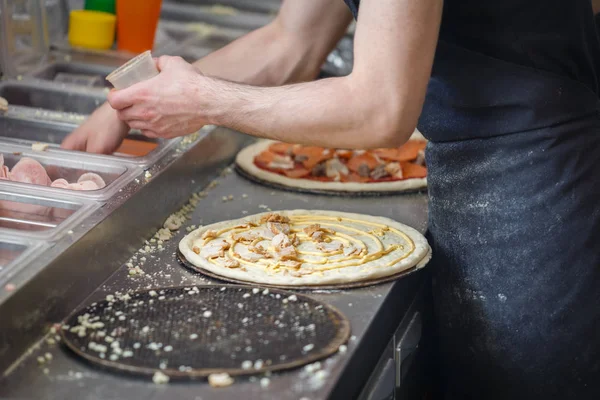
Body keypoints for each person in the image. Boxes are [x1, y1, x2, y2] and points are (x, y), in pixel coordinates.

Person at [62, 1, 600, 398]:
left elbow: (381, 110)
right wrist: (132, 99)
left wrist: (205, 101)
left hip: (543, 189)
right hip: (476, 168)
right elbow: (290, 43)